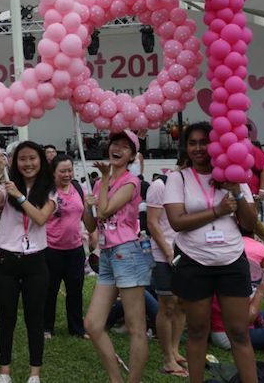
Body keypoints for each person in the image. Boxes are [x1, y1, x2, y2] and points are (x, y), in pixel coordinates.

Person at [163, 122, 258, 383]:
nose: (197, 148)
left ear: (216, 144)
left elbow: (250, 224)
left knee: (239, 332)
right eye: (192, 143)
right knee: (197, 331)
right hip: (194, 262)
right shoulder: (178, 178)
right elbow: (176, 221)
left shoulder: (235, 176)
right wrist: (217, 211)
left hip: (231, 260)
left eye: (204, 142)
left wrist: (237, 191)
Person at [83, 130, 152, 383]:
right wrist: (85, 202)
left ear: (132, 155)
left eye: (125, 147)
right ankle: (116, 379)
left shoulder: (131, 182)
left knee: (136, 327)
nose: (118, 149)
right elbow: (91, 224)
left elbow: (105, 210)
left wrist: (102, 182)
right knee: (92, 324)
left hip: (127, 252)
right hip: (108, 254)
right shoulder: (100, 183)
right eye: (115, 144)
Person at [0, 142, 55, 383]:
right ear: (15, 162)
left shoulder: (50, 190)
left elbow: (41, 218)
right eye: (22, 159)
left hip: (35, 261)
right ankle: (4, 372)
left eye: (32, 158)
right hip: (6, 261)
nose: (27, 163)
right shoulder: (8, 184)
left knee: (35, 318)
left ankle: (35, 373)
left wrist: (19, 196)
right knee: (6, 318)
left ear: (41, 160)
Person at [43, 154, 92, 340]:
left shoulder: (78, 189)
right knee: (50, 290)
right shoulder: (47, 192)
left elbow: (86, 220)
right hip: (52, 248)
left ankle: (77, 328)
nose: (67, 174)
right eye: (62, 171)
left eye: (69, 170)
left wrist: (88, 208)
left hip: (75, 248)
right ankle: (47, 327)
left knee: (75, 290)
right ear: (53, 172)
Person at [146, 171, 187, 377]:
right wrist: (168, 251)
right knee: (167, 305)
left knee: (182, 304)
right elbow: (152, 223)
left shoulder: (192, 186)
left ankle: (174, 349)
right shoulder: (159, 186)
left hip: (186, 252)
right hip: (163, 254)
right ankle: (167, 358)